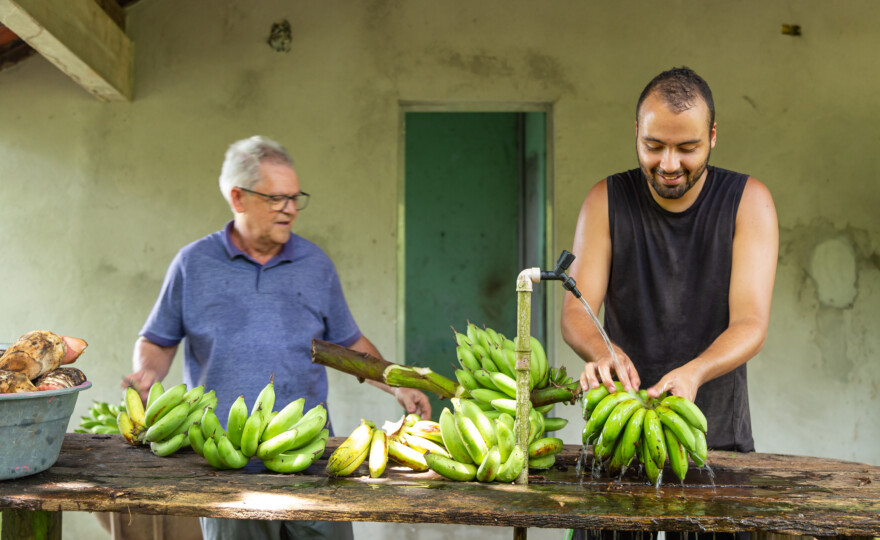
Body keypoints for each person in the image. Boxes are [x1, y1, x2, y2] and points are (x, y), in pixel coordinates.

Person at [123, 135, 431, 540]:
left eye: (294, 198)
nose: (289, 210)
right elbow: (158, 340)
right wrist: (146, 374)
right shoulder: (193, 264)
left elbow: (349, 347)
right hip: (225, 469)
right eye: (276, 199)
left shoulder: (315, 264)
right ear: (238, 198)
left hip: (311, 463)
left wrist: (396, 383)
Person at [562, 67, 778, 456]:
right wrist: (603, 351)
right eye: (654, 145)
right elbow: (576, 312)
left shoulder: (749, 201)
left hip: (717, 440)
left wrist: (695, 372)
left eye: (687, 148)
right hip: (618, 433)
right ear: (636, 134)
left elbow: (751, 323)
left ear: (712, 137)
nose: (669, 164)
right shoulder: (604, 200)